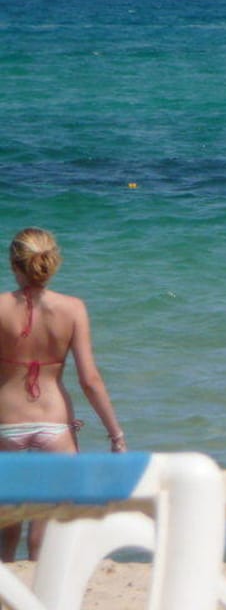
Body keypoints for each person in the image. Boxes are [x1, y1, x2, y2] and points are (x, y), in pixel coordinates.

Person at [1, 227, 126, 562]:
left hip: (5, 425)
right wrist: (116, 434)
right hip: (55, 426)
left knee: (5, 529)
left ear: (14, 264)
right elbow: (90, 380)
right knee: (44, 533)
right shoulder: (73, 309)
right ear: (52, 264)